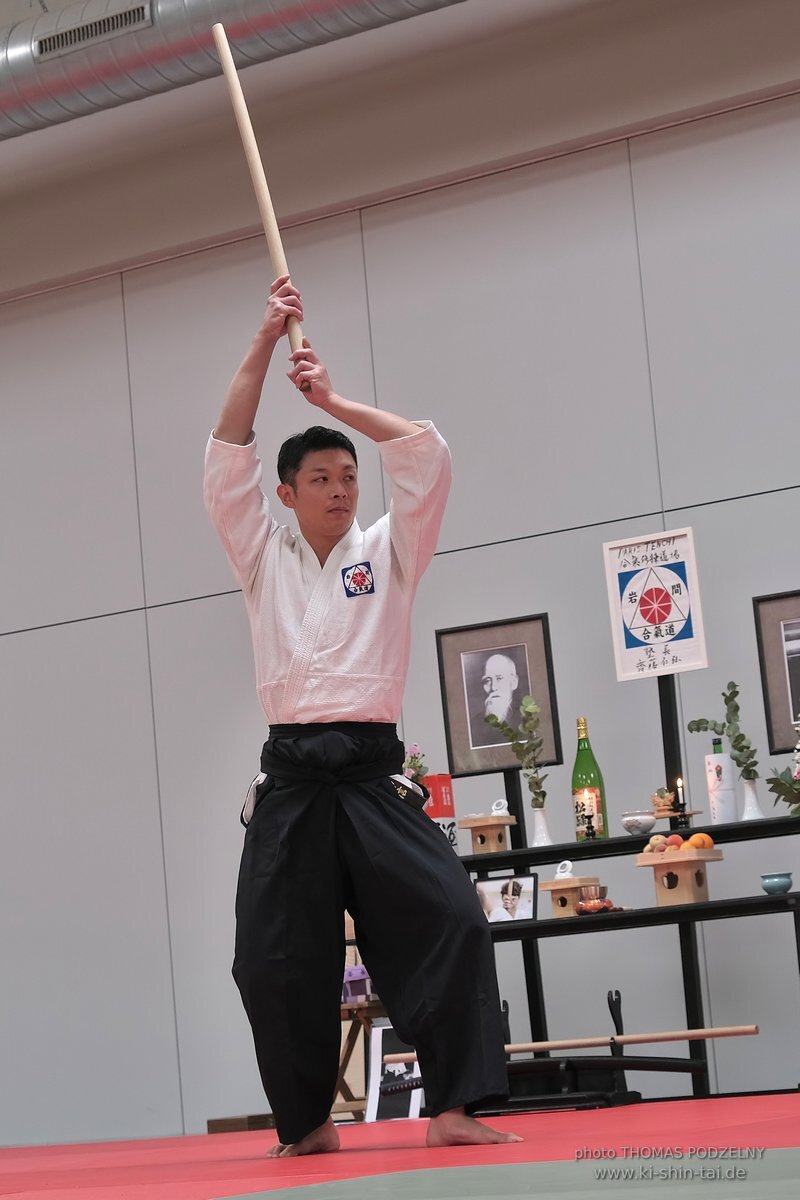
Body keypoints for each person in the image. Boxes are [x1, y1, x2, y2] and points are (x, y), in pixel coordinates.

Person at [204, 275, 519, 1157]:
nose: (342, 488)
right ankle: (306, 1124)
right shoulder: (260, 555)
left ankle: (454, 1104)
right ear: (287, 491)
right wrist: (265, 343)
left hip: (375, 772)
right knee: (269, 958)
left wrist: (333, 398)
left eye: (349, 476)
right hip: (296, 776)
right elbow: (226, 444)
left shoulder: (389, 551)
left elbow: (426, 452)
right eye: (322, 477)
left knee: (452, 918)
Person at [468, 651, 521, 748]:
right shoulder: (473, 725)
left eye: (499, 678)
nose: (493, 687)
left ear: (514, 682)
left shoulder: (527, 719)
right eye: (487, 680)